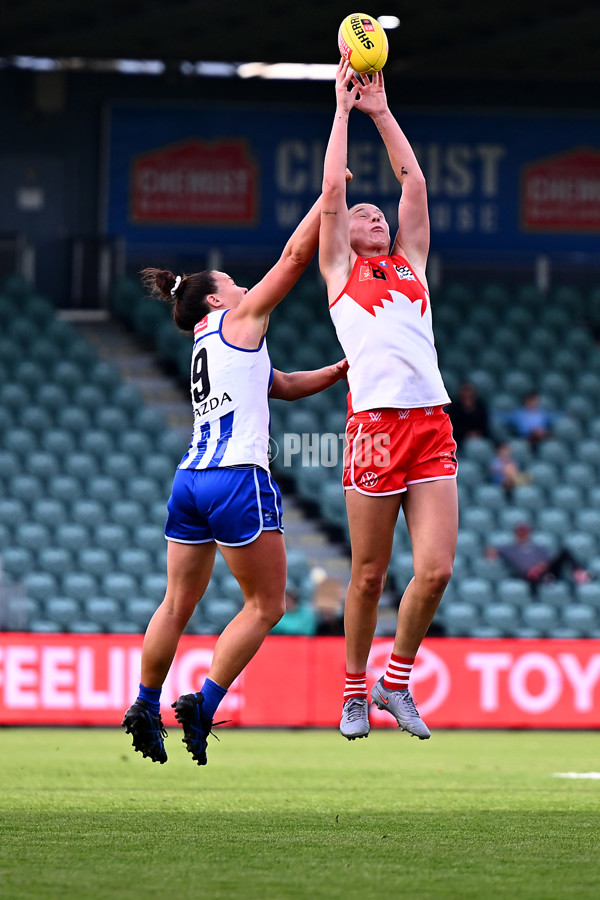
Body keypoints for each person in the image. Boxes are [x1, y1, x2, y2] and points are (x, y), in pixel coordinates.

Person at [122, 193, 350, 766]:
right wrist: (328, 199)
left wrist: (341, 369)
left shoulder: (210, 341)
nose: (245, 287)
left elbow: (283, 385)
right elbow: (294, 257)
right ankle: (204, 703)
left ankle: (145, 703)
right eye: (234, 283)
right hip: (236, 478)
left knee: (176, 603)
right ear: (216, 299)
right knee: (267, 604)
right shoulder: (239, 319)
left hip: (190, 480)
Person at [318, 60, 458, 741]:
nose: (372, 214)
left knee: (435, 571)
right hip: (374, 429)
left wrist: (379, 111)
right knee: (370, 575)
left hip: (430, 423)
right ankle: (353, 692)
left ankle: (394, 682)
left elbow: (414, 183)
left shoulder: (411, 263)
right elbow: (331, 194)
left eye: (378, 213)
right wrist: (342, 113)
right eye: (360, 214)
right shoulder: (339, 271)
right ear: (343, 234)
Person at [488, 522, 590, 589]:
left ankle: (579, 573)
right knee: (530, 578)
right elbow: (492, 551)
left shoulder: (538, 547)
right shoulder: (509, 549)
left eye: (525, 532)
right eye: (520, 533)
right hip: (527, 576)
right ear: (516, 534)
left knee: (564, 552)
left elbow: (549, 560)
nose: (523, 535)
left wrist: (540, 567)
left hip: (544, 571)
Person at [449, 381, 490, 447]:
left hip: (480, 438)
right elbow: (452, 427)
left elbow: (485, 425)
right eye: (465, 390)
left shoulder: (481, 406)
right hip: (460, 440)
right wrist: (466, 434)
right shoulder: (454, 409)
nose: (467, 393)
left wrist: (477, 433)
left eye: (469, 390)